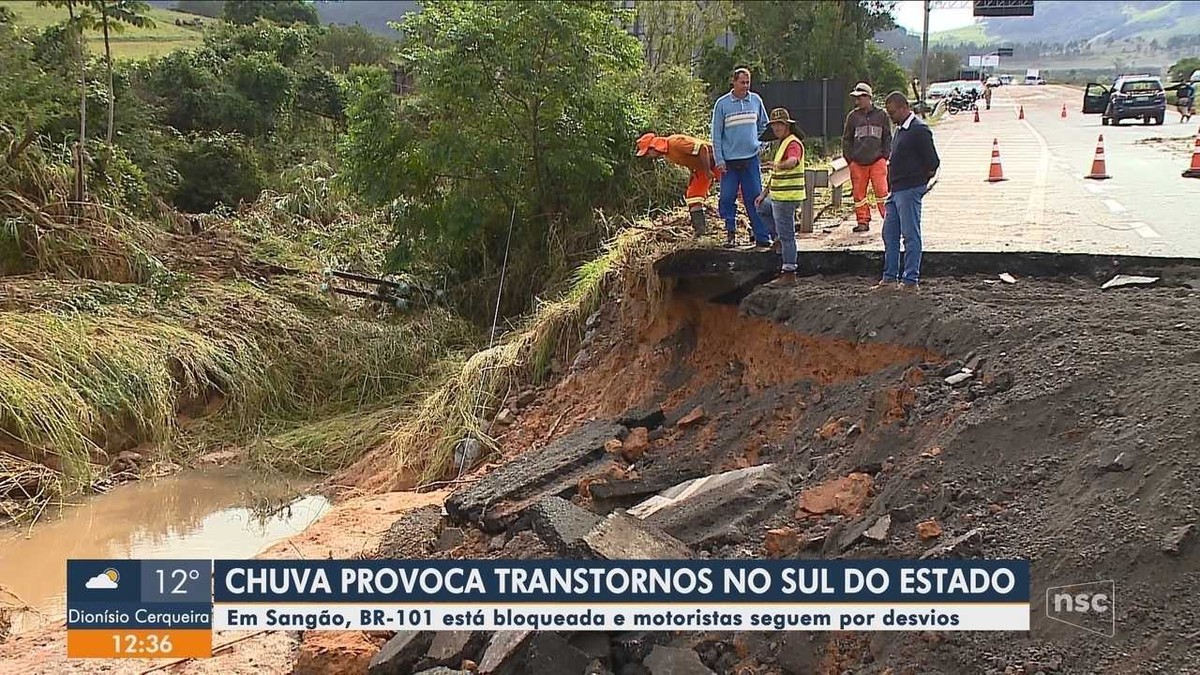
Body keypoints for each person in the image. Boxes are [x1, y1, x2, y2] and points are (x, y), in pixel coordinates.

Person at [876, 91, 939, 291]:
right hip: (896, 190)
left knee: (910, 234)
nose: (891, 117)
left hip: (909, 189)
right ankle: (890, 277)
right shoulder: (901, 130)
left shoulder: (919, 130)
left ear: (904, 108)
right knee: (890, 233)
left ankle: (911, 280)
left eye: (893, 112)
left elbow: (933, 162)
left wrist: (918, 183)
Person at [712, 67, 772, 250]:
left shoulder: (755, 101)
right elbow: (716, 135)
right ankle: (730, 232)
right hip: (730, 161)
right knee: (727, 197)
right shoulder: (722, 105)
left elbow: (764, 126)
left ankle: (762, 235)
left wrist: (762, 145)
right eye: (742, 82)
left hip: (750, 159)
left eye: (748, 82)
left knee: (755, 198)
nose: (745, 86)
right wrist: (719, 160)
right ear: (734, 82)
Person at [754, 108, 806, 277]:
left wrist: (779, 165)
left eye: (779, 125)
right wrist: (763, 193)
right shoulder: (783, 144)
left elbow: (792, 161)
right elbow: (776, 174)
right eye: (774, 125)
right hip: (778, 196)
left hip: (787, 197)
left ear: (787, 126)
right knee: (762, 207)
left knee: (787, 235)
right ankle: (778, 239)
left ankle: (789, 267)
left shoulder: (792, 143)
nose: (776, 128)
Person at [636, 132, 720, 236]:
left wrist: (707, 171)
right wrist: (692, 172)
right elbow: (690, 159)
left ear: (653, 147)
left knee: (736, 190)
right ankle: (700, 232)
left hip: (717, 160)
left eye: (648, 153)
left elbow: (703, 149)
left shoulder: (675, 143)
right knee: (693, 197)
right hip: (702, 167)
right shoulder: (668, 154)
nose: (648, 156)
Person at [842, 82, 892, 234]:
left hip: (877, 160)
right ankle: (862, 221)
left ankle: (889, 221)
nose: (857, 101)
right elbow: (847, 139)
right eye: (856, 98)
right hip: (858, 162)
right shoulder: (853, 117)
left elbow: (887, 137)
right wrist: (850, 159)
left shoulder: (881, 115)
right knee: (859, 194)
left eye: (860, 98)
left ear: (868, 97)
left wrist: (885, 156)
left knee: (882, 192)